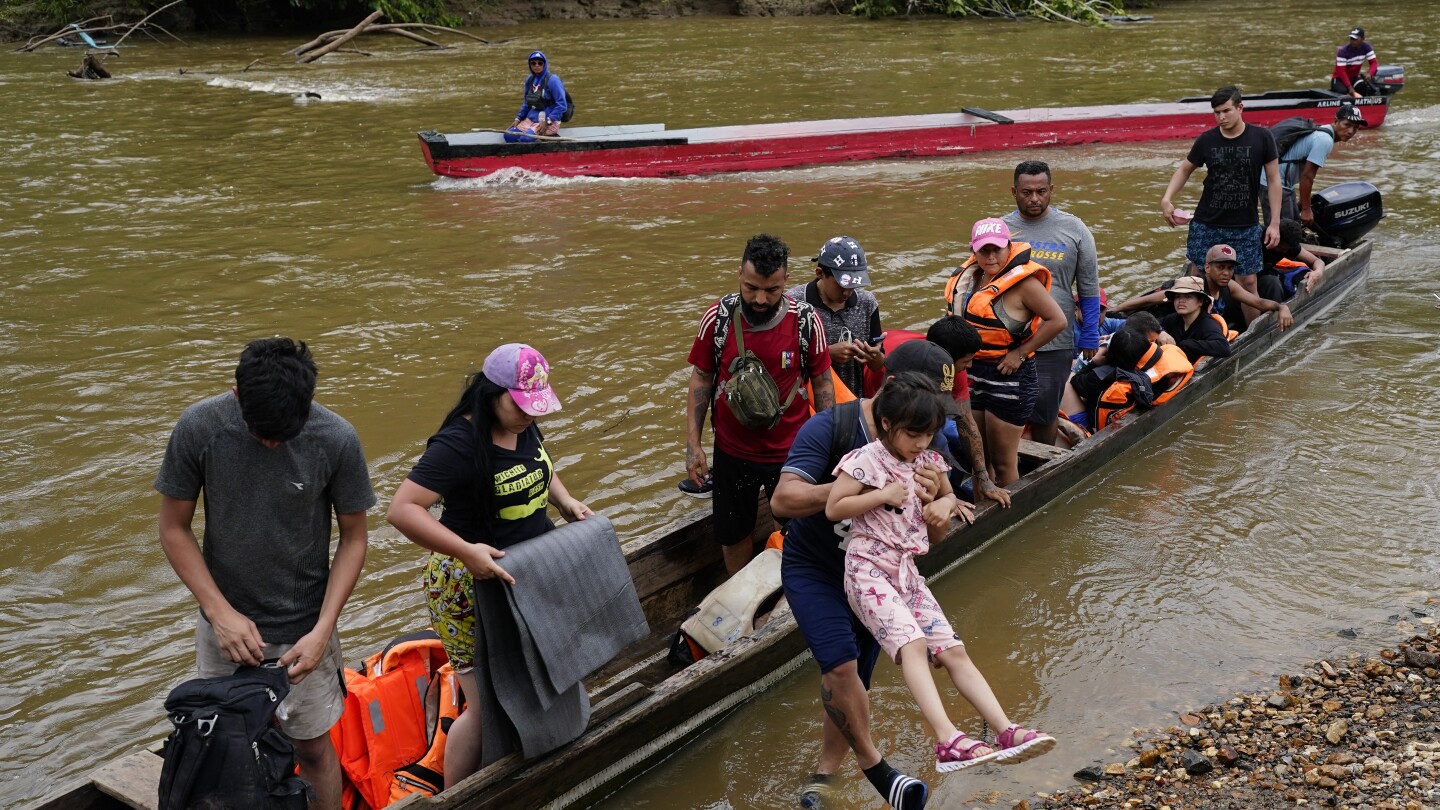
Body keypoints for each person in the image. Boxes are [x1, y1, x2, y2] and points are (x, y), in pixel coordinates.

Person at [156, 338, 376, 810]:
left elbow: (354, 537)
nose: (273, 443)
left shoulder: (336, 439)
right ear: (236, 394)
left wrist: (323, 630)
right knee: (230, 748)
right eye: (262, 435)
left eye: (284, 434)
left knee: (314, 748)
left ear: (309, 402)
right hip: (225, 630)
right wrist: (219, 614)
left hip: (305, 633)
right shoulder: (200, 428)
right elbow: (173, 528)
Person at [772, 340, 976, 810]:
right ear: (888, 396)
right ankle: (878, 770)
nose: (923, 437)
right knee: (839, 664)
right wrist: (864, 487)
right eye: (915, 424)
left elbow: (933, 527)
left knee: (855, 680)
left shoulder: (924, 436)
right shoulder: (832, 427)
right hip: (818, 567)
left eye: (931, 421)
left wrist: (941, 507)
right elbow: (783, 500)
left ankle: (826, 771)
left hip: (879, 574)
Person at [827, 373, 1055, 775]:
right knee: (913, 645)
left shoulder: (930, 461)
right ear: (885, 424)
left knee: (953, 650)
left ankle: (1005, 729)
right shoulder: (865, 460)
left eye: (928, 434)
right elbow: (833, 507)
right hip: (867, 569)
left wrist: (944, 505)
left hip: (907, 572)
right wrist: (880, 495)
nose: (921, 443)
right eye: (913, 434)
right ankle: (948, 738)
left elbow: (948, 498)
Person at [386, 343, 592, 786]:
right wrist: (465, 550)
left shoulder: (523, 425)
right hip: (467, 583)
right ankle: (457, 795)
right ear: (490, 394)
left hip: (526, 574)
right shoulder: (459, 443)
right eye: (521, 407)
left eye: (535, 409)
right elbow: (402, 510)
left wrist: (565, 501)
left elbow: (541, 465)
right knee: (486, 708)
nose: (529, 417)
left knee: (543, 673)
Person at [687, 233, 834, 576]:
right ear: (739, 273)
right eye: (752, 287)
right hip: (732, 451)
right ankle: (739, 591)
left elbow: (823, 383)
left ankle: (796, 588)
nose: (760, 299)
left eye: (772, 290)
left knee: (803, 528)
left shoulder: (806, 321)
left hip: (794, 453)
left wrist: (829, 445)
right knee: (733, 532)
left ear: (787, 280)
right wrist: (693, 446)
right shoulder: (718, 319)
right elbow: (701, 380)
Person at [944, 218, 1065, 486]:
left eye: (996, 249)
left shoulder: (1024, 284)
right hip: (972, 373)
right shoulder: (970, 278)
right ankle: (979, 509)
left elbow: (1058, 320)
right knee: (977, 460)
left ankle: (1008, 514)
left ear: (1008, 247)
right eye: (983, 250)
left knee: (1002, 463)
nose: (990, 256)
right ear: (973, 250)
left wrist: (1020, 353)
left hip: (1009, 376)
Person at [1160, 85, 1281, 326]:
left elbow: (1274, 180)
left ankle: (1250, 335)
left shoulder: (1262, 137)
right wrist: (1166, 199)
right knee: (1196, 279)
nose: (1221, 117)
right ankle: (1193, 331)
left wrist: (1274, 223)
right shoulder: (1208, 140)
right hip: (1207, 222)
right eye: (1217, 112)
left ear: (1240, 108)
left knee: (1248, 283)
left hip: (1245, 224)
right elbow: (1185, 169)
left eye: (1226, 111)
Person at [1002, 160, 1101, 446]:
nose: (1034, 199)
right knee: (1006, 405)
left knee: (1044, 408)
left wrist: (1091, 332)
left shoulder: (1075, 229)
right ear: (1014, 191)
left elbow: (1088, 287)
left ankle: (1043, 458)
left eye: (1041, 191)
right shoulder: (1001, 229)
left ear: (1051, 190)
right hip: (1007, 336)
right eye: (1026, 192)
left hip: (1054, 339)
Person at [924, 316, 1012, 507]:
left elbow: (966, 422)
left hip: (932, 409)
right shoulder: (900, 369)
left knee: (951, 445)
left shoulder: (956, 371)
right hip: (893, 415)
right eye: (967, 361)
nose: (970, 366)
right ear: (945, 360)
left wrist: (984, 478)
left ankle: (951, 490)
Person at [1111, 244, 1293, 334]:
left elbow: (1257, 301)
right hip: (1166, 325)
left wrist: (1281, 307)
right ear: (1207, 268)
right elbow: (1152, 299)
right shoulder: (1193, 285)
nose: (1226, 273)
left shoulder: (1228, 285)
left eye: (1230, 268)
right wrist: (1118, 308)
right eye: (1220, 267)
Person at [789, 235, 885, 400]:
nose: (847, 293)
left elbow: (877, 366)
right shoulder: (795, 303)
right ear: (820, 273)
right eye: (842, 285)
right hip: (807, 403)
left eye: (854, 285)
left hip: (853, 399)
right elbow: (784, 359)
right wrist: (826, 353)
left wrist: (875, 357)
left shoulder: (867, 303)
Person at [1261, 104, 1367, 226]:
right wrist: (1306, 209)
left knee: (1292, 229)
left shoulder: (1322, 132)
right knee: (1283, 232)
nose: (1350, 131)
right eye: (1347, 125)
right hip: (1273, 183)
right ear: (1336, 121)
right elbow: (1307, 176)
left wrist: (1303, 202)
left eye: (1355, 127)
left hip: (1281, 183)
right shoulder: (1325, 140)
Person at [1159, 276, 1232, 363]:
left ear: (1200, 301)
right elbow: (1149, 321)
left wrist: (1186, 345)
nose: (1181, 301)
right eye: (1178, 296)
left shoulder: (1207, 324)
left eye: (1188, 296)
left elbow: (1223, 347)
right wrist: (1160, 331)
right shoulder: (1173, 318)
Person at [1259, 219, 1327, 303]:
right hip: (1245, 281)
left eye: (1287, 249)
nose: (1285, 252)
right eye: (1282, 248)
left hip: (1263, 276)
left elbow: (1317, 261)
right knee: (1272, 282)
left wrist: (1318, 272)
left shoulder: (1288, 246)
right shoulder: (1258, 238)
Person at [506, 51, 568, 143]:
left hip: (549, 121)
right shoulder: (530, 80)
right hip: (530, 120)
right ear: (530, 65)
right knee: (509, 136)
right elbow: (526, 103)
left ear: (544, 64)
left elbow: (562, 105)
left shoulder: (553, 80)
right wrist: (518, 118)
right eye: (533, 63)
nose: (537, 65)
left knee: (525, 139)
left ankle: (539, 142)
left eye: (540, 63)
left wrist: (548, 121)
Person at [1331, 27, 1379, 98]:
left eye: (1355, 39)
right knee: (1344, 92)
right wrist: (1350, 88)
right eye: (1351, 39)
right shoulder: (1343, 51)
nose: (1352, 41)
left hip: (1354, 77)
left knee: (1364, 88)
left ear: (1362, 39)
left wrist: (1369, 74)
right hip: (1339, 79)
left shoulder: (1366, 47)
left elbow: (1374, 63)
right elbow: (1341, 71)